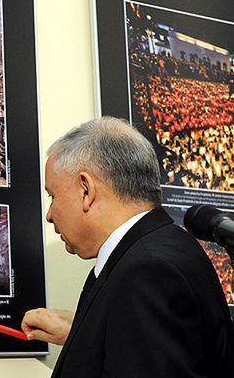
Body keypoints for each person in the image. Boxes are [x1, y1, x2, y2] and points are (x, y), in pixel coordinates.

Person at [21, 117, 234, 377]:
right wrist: (83, 330)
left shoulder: (148, 271)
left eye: (52, 195)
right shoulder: (158, 250)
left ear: (86, 190)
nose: (50, 214)